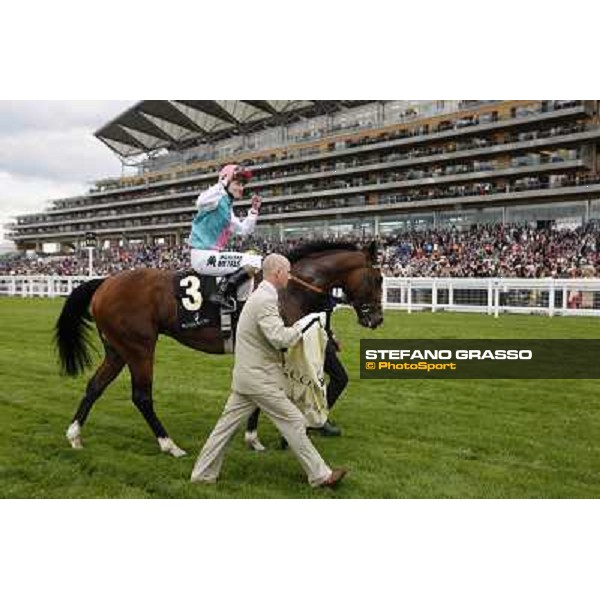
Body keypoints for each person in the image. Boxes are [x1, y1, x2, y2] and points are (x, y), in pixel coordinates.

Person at [190, 253, 347, 488]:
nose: (290, 276)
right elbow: (279, 339)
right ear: (278, 273)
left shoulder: (262, 296)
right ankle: (321, 476)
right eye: (288, 272)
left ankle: (201, 475)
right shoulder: (265, 299)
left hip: (248, 377)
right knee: (294, 419)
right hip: (258, 379)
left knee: (224, 429)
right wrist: (306, 324)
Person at [189, 163, 263, 311]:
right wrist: (222, 183)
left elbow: (244, 230)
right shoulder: (215, 199)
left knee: (253, 258)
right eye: (237, 183)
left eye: (243, 185)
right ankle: (223, 294)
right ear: (226, 181)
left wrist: (254, 211)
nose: (241, 188)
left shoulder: (227, 209)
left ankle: (235, 302)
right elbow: (200, 202)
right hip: (203, 257)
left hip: (212, 257)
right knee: (254, 261)